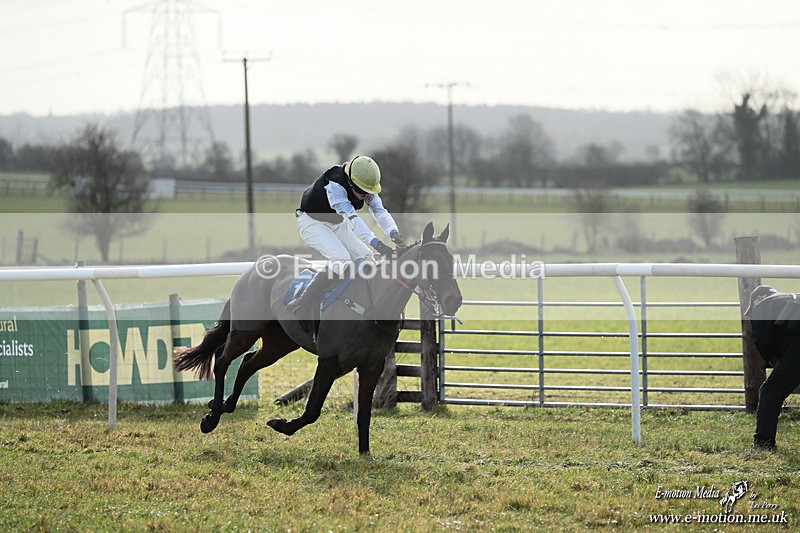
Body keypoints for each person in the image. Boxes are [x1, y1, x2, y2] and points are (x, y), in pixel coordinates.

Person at [287, 155, 405, 331]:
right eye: (361, 191)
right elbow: (352, 219)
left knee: (367, 258)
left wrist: (394, 233)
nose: (365, 195)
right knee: (341, 259)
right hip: (311, 222)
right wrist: (378, 244)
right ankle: (302, 303)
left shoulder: (367, 187)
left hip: (336, 223)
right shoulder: (335, 186)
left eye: (368, 192)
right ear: (350, 182)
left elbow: (380, 211)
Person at [744, 284, 800, 449]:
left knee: (770, 392)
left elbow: (763, 342)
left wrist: (777, 362)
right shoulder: (792, 298)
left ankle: (763, 442)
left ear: (758, 298)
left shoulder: (763, 305)